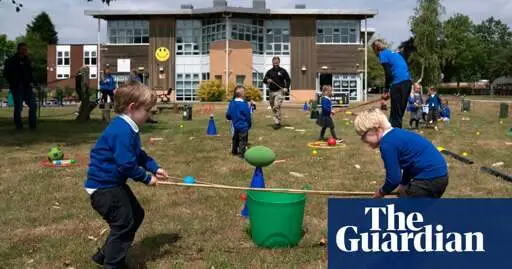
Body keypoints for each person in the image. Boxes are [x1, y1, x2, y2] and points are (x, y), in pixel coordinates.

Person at [84, 81, 169, 268]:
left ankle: (104, 255)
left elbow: (138, 155)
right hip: (103, 187)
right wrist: (147, 178)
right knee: (123, 223)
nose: (149, 115)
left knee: (136, 215)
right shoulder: (121, 130)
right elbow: (126, 164)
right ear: (132, 108)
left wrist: (155, 168)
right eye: (147, 110)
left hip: (113, 184)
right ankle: (113, 264)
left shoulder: (129, 128)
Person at [354, 108, 449, 198]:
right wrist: (403, 184)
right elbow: (408, 164)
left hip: (428, 180)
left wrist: (382, 192)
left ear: (377, 130)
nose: (363, 140)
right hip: (440, 177)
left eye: (363, 136)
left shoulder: (387, 144)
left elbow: (394, 179)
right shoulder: (397, 134)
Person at [372, 39, 412, 128]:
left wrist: (386, 90)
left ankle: (394, 135)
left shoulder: (383, 54)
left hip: (398, 84)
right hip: (408, 83)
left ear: (376, 48)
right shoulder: (394, 53)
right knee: (399, 113)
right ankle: (398, 134)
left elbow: (388, 74)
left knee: (395, 114)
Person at [3, 42, 37, 130]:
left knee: (33, 105)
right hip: (17, 87)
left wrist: (34, 83)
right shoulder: (11, 61)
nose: (25, 51)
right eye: (23, 49)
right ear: (19, 50)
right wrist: (13, 83)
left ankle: (32, 126)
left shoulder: (27, 61)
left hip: (27, 87)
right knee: (18, 107)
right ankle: (19, 126)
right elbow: (6, 74)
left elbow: (30, 74)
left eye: (26, 49)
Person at [263, 56, 291, 130]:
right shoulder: (269, 72)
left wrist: (286, 88)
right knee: (273, 108)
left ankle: (277, 122)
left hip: (279, 91)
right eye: (274, 62)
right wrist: (267, 80)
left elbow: (288, 80)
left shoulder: (283, 71)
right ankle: (277, 119)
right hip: (271, 92)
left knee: (276, 106)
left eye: (277, 62)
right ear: (272, 62)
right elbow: (264, 80)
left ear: (279, 62)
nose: (275, 63)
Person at [226, 86, 252, 158]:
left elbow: (228, 113)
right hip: (243, 126)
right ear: (243, 94)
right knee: (243, 141)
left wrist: (228, 117)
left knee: (235, 139)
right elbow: (247, 115)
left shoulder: (232, 103)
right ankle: (241, 154)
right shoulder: (244, 104)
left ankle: (234, 151)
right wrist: (249, 124)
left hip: (235, 125)